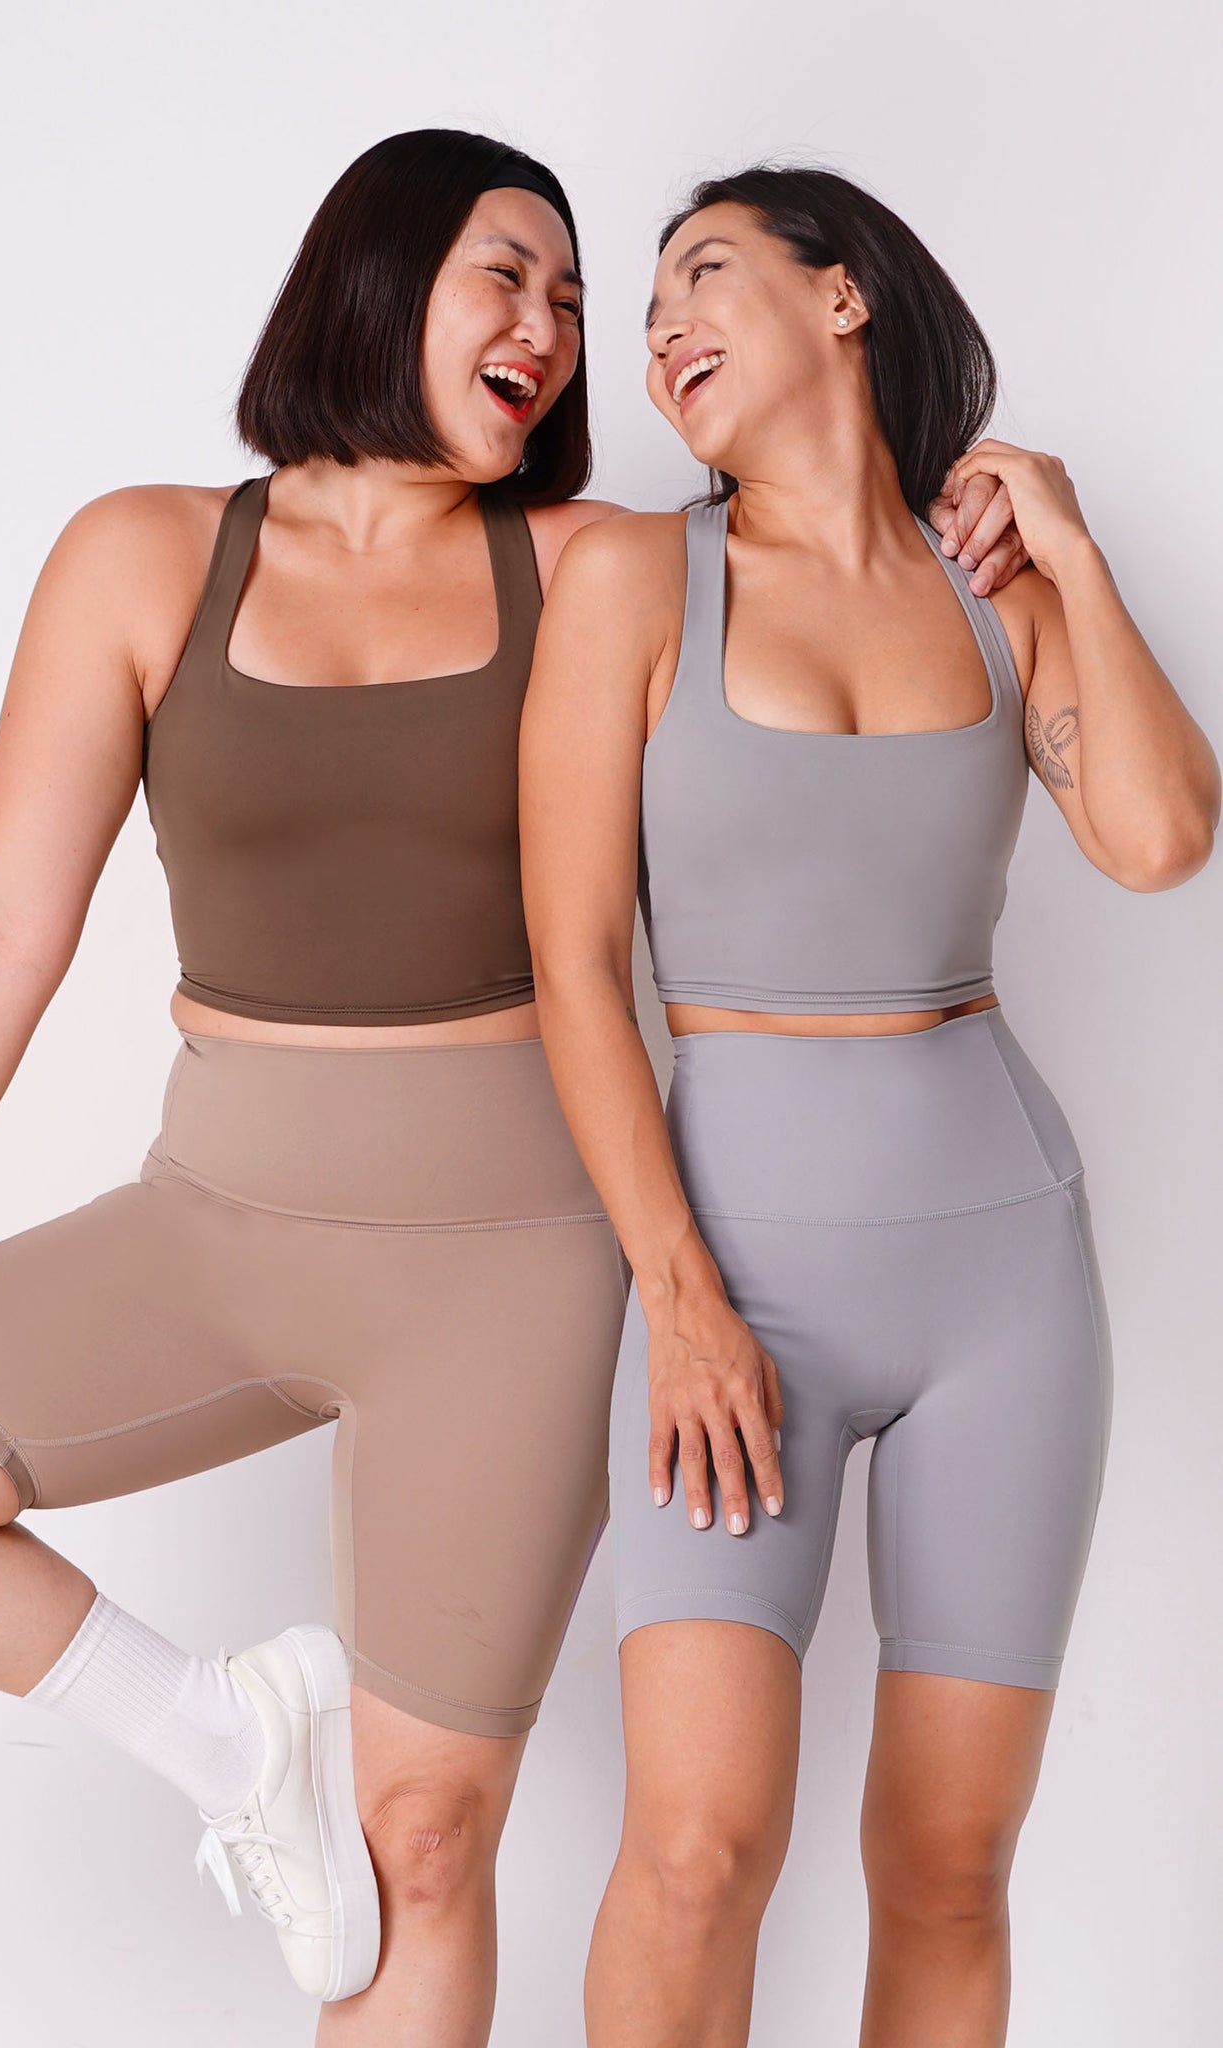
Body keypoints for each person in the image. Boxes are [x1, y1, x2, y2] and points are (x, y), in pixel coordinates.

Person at [0, 129, 632, 2046]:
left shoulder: (594, 568)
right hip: (209, 1232)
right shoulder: (142, 555)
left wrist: (981, 510)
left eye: (569, 297)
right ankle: (221, 1736)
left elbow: (831, 595)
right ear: (375, 276)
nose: (545, 326)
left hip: (509, 1274)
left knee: (422, 1847)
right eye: (505, 273)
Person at [518, 164, 1218, 2048]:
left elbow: (1159, 838)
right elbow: (574, 965)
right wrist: (678, 1301)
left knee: (946, 1864)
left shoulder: (996, 592)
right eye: (643, 313)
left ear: (842, 299)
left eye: (702, 273)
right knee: (695, 1848)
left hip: (1003, 1279)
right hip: (729, 1278)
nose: (658, 328)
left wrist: (1071, 553)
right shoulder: (630, 580)